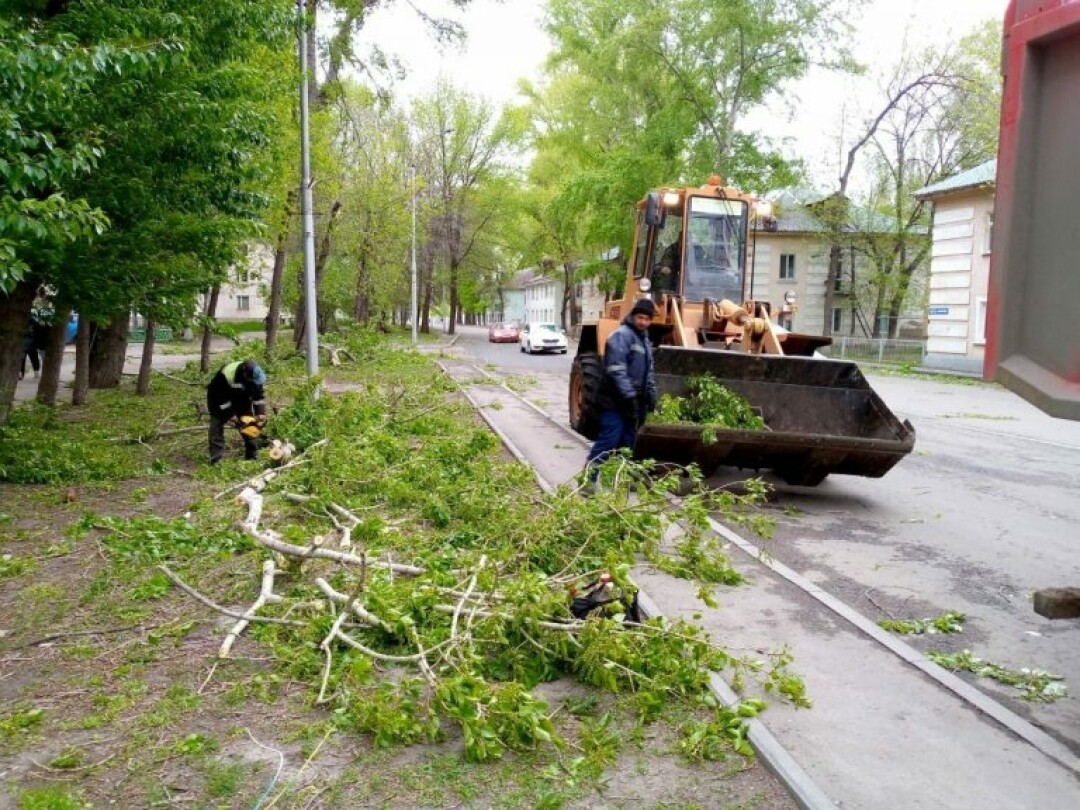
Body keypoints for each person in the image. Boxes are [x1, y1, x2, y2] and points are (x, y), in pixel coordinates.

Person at [583, 298, 658, 487]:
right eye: (640, 317)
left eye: (647, 319)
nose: (643, 322)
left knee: (628, 443)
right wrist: (628, 396)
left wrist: (651, 396)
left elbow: (648, 374)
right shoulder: (621, 336)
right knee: (609, 440)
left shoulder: (645, 342)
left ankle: (624, 480)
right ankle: (588, 480)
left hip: (632, 402)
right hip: (614, 401)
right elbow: (616, 369)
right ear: (633, 316)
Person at [206, 359, 268, 464]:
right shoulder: (227, 374)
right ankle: (216, 459)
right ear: (245, 375)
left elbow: (259, 397)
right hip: (218, 399)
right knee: (216, 425)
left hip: (242, 398)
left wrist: (260, 414)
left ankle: (251, 456)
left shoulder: (256, 377)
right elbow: (219, 397)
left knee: (249, 425)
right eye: (251, 379)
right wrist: (231, 414)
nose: (254, 382)